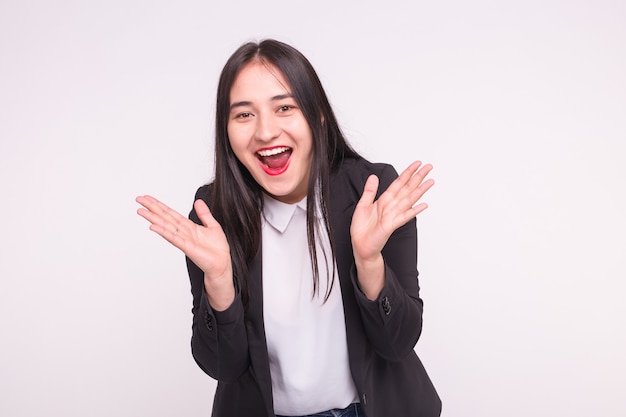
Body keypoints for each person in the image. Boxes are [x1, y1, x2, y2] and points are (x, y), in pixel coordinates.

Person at [136, 39, 441, 417]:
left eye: (284, 107)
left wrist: (369, 261)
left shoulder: (373, 193)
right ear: (226, 131)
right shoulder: (214, 214)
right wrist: (218, 281)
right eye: (244, 115)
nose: (265, 132)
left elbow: (397, 344)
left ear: (319, 117)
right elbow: (223, 367)